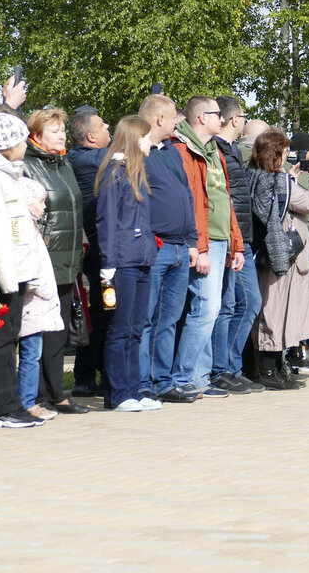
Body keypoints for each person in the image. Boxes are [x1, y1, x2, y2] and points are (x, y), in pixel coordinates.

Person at [172, 97, 245, 397]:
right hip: (204, 242)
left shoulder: (214, 150)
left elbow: (223, 199)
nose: (224, 120)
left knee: (212, 310)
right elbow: (191, 202)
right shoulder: (183, 150)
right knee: (206, 309)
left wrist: (236, 244)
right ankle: (183, 377)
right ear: (202, 117)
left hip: (220, 241)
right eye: (218, 115)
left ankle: (199, 378)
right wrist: (198, 247)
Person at [21, 107, 88, 415]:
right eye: (54, 131)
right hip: (42, 259)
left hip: (68, 258)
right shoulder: (27, 165)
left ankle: (55, 391)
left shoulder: (63, 163)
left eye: (62, 130)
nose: (61, 135)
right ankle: (36, 395)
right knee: (38, 331)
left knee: (58, 330)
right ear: (36, 135)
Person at [136, 95, 200, 404]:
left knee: (169, 318)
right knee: (146, 317)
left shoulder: (172, 152)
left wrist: (191, 241)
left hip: (178, 247)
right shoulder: (137, 151)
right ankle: (140, 382)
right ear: (160, 119)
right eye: (174, 117)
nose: (178, 122)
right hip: (155, 246)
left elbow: (187, 196)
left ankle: (162, 380)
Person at [95, 116, 162, 412]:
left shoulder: (136, 173)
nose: (151, 142)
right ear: (135, 139)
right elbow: (106, 222)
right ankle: (118, 392)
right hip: (122, 262)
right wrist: (108, 265)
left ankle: (133, 388)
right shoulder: (114, 174)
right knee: (120, 329)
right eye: (146, 138)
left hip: (142, 259)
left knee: (136, 329)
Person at [252, 130, 309, 386]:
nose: (287, 157)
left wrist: (290, 180)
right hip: (280, 253)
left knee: (274, 309)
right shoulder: (277, 180)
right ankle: (269, 370)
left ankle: (275, 367)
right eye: (284, 153)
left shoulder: (258, 175)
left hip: (267, 252)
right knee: (276, 310)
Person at [0, 111, 49, 428]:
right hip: (6, 274)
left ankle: (8, 402)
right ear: (7, 144)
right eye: (20, 139)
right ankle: (4, 406)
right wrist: (7, 277)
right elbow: (2, 234)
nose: (25, 145)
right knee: (3, 343)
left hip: (19, 270)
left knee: (10, 338)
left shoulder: (11, 175)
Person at [210, 95, 263, 394]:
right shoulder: (218, 151)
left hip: (240, 240)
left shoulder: (229, 151)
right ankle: (223, 368)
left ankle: (230, 367)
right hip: (230, 241)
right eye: (242, 116)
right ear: (235, 120)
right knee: (231, 305)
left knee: (244, 303)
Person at [68, 109, 111, 397]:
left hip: (101, 247)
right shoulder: (86, 158)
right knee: (100, 312)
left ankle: (91, 375)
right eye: (103, 124)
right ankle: (85, 378)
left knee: (103, 312)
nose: (109, 127)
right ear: (91, 136)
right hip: (98, 249)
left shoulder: (92, 157)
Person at [15, 176, 62, 422]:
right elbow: (28, 267)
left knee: (33, 352)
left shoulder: (33, 227)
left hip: (38, 303)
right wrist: (40, 288)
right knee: (30, 353)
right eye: (40, 201)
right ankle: (27, 402)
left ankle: (28, 400)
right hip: (32, 304)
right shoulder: (24, 230)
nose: (44, 207)